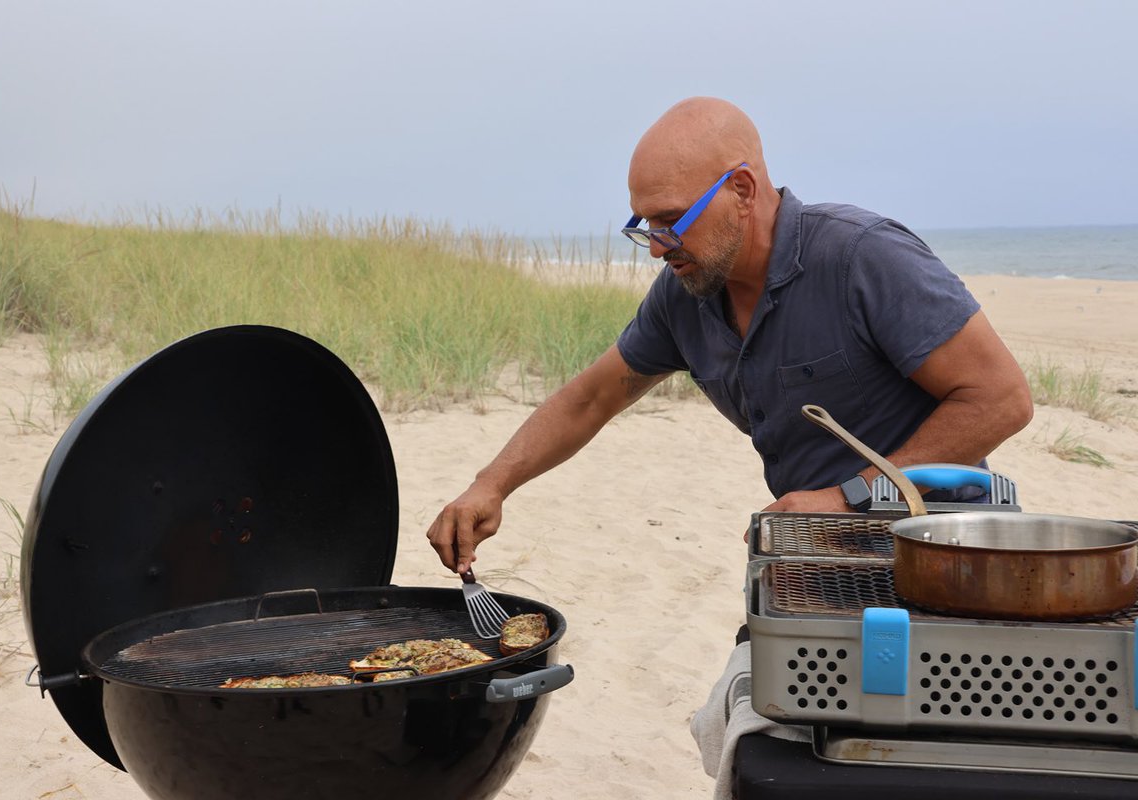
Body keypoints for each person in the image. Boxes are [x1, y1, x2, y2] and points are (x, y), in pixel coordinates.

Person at [426, 96, 1033, 576]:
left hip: (944, 560)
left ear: (741, 190)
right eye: (644, 225)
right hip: (814, 559)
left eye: (671, 221)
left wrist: (849, 498)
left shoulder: (861, 257)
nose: (658, 245)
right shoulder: (684, 291)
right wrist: (491, 484)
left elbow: (1001, 400)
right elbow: (592, 397)